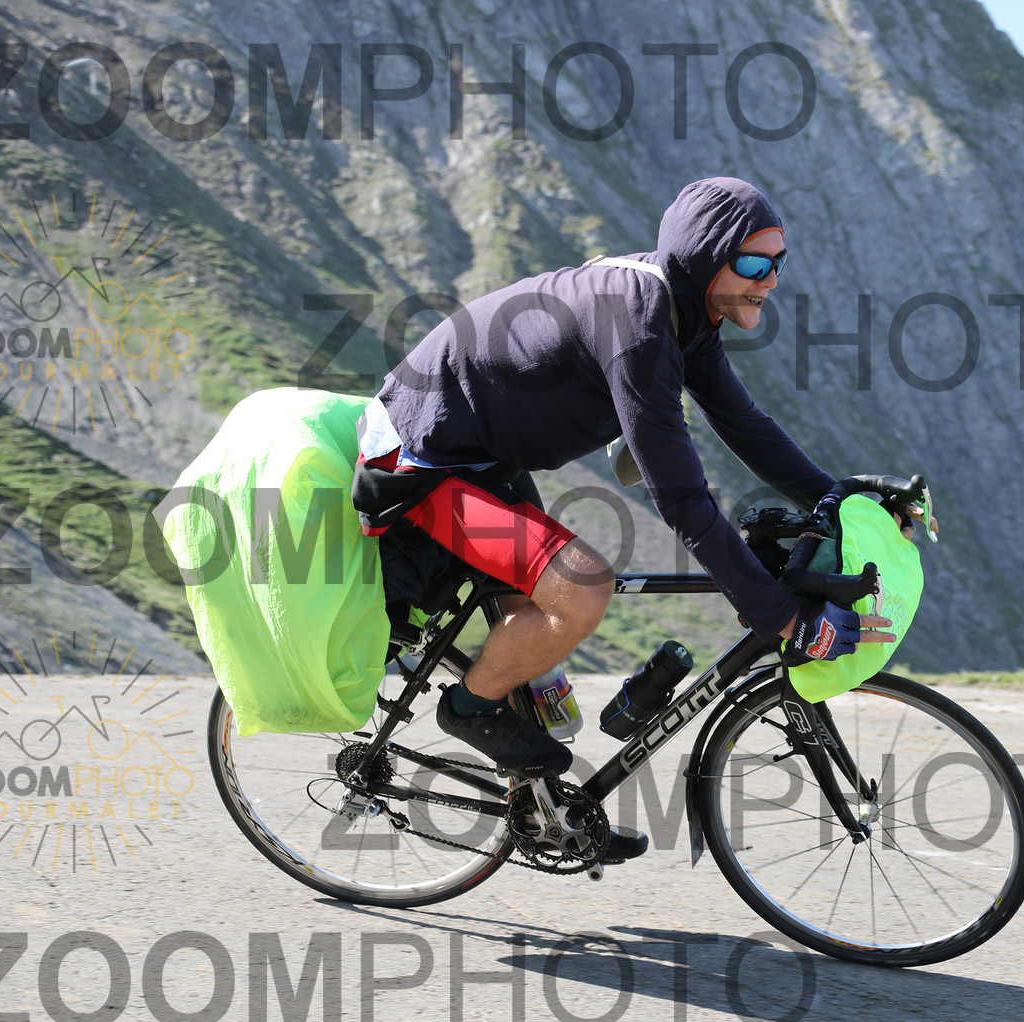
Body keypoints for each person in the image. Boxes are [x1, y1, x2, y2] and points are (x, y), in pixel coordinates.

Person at [351, 177, 891, 859]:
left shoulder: (687, 307)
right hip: (421, 461)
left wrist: (844, 497)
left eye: (780, 262)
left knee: (533, 624)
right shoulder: (638, 326)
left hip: (479, 454)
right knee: (581, 587)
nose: (771, 280)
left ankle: (544, 814)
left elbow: (744, 423)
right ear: (707, 256)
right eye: (755, 262)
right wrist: (781, 616)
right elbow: (683, 501)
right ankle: (469, 709)